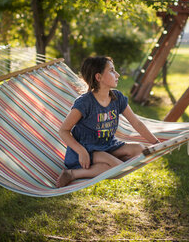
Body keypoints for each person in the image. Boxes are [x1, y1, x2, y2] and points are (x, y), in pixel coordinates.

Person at [56, 56, 160, 188]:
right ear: (98, 77)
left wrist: (157, 144)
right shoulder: (85, 103)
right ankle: (72, 173)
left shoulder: (117, 98)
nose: (117, 74)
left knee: (140, 149)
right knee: (118, 168)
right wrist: (81, 151)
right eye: (112, 71)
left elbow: (137, 123)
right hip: (87, 149)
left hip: (108, 145)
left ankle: (104, 165)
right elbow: (63, 131)